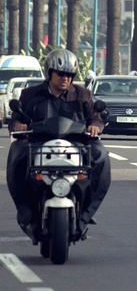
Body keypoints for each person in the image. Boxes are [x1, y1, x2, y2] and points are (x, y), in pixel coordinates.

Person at [7, 49, 111, 241]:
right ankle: (24, 209)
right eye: (61, 73)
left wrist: (95, 126)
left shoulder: (83, 95)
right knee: (17, 151)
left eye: (70, 75)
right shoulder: (30, 95)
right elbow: (15, 121)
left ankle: (87, 213)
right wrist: (18, 125)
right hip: (38, 143)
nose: (66, 78)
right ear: (50, 72)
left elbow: (96, 119)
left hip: (76, 144)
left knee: (101, 155)